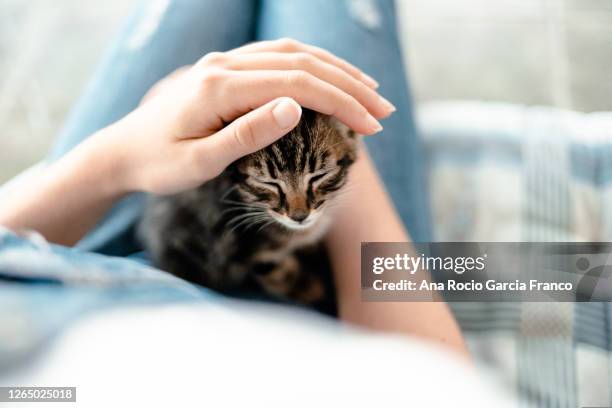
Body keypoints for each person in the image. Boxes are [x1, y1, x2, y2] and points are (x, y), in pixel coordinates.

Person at [0, 0, 468, 356]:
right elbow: (438, 376)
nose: (298, 212)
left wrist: (118, 155)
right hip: (311, 317)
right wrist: (346, 143)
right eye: (273, 192)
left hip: (60, 258)